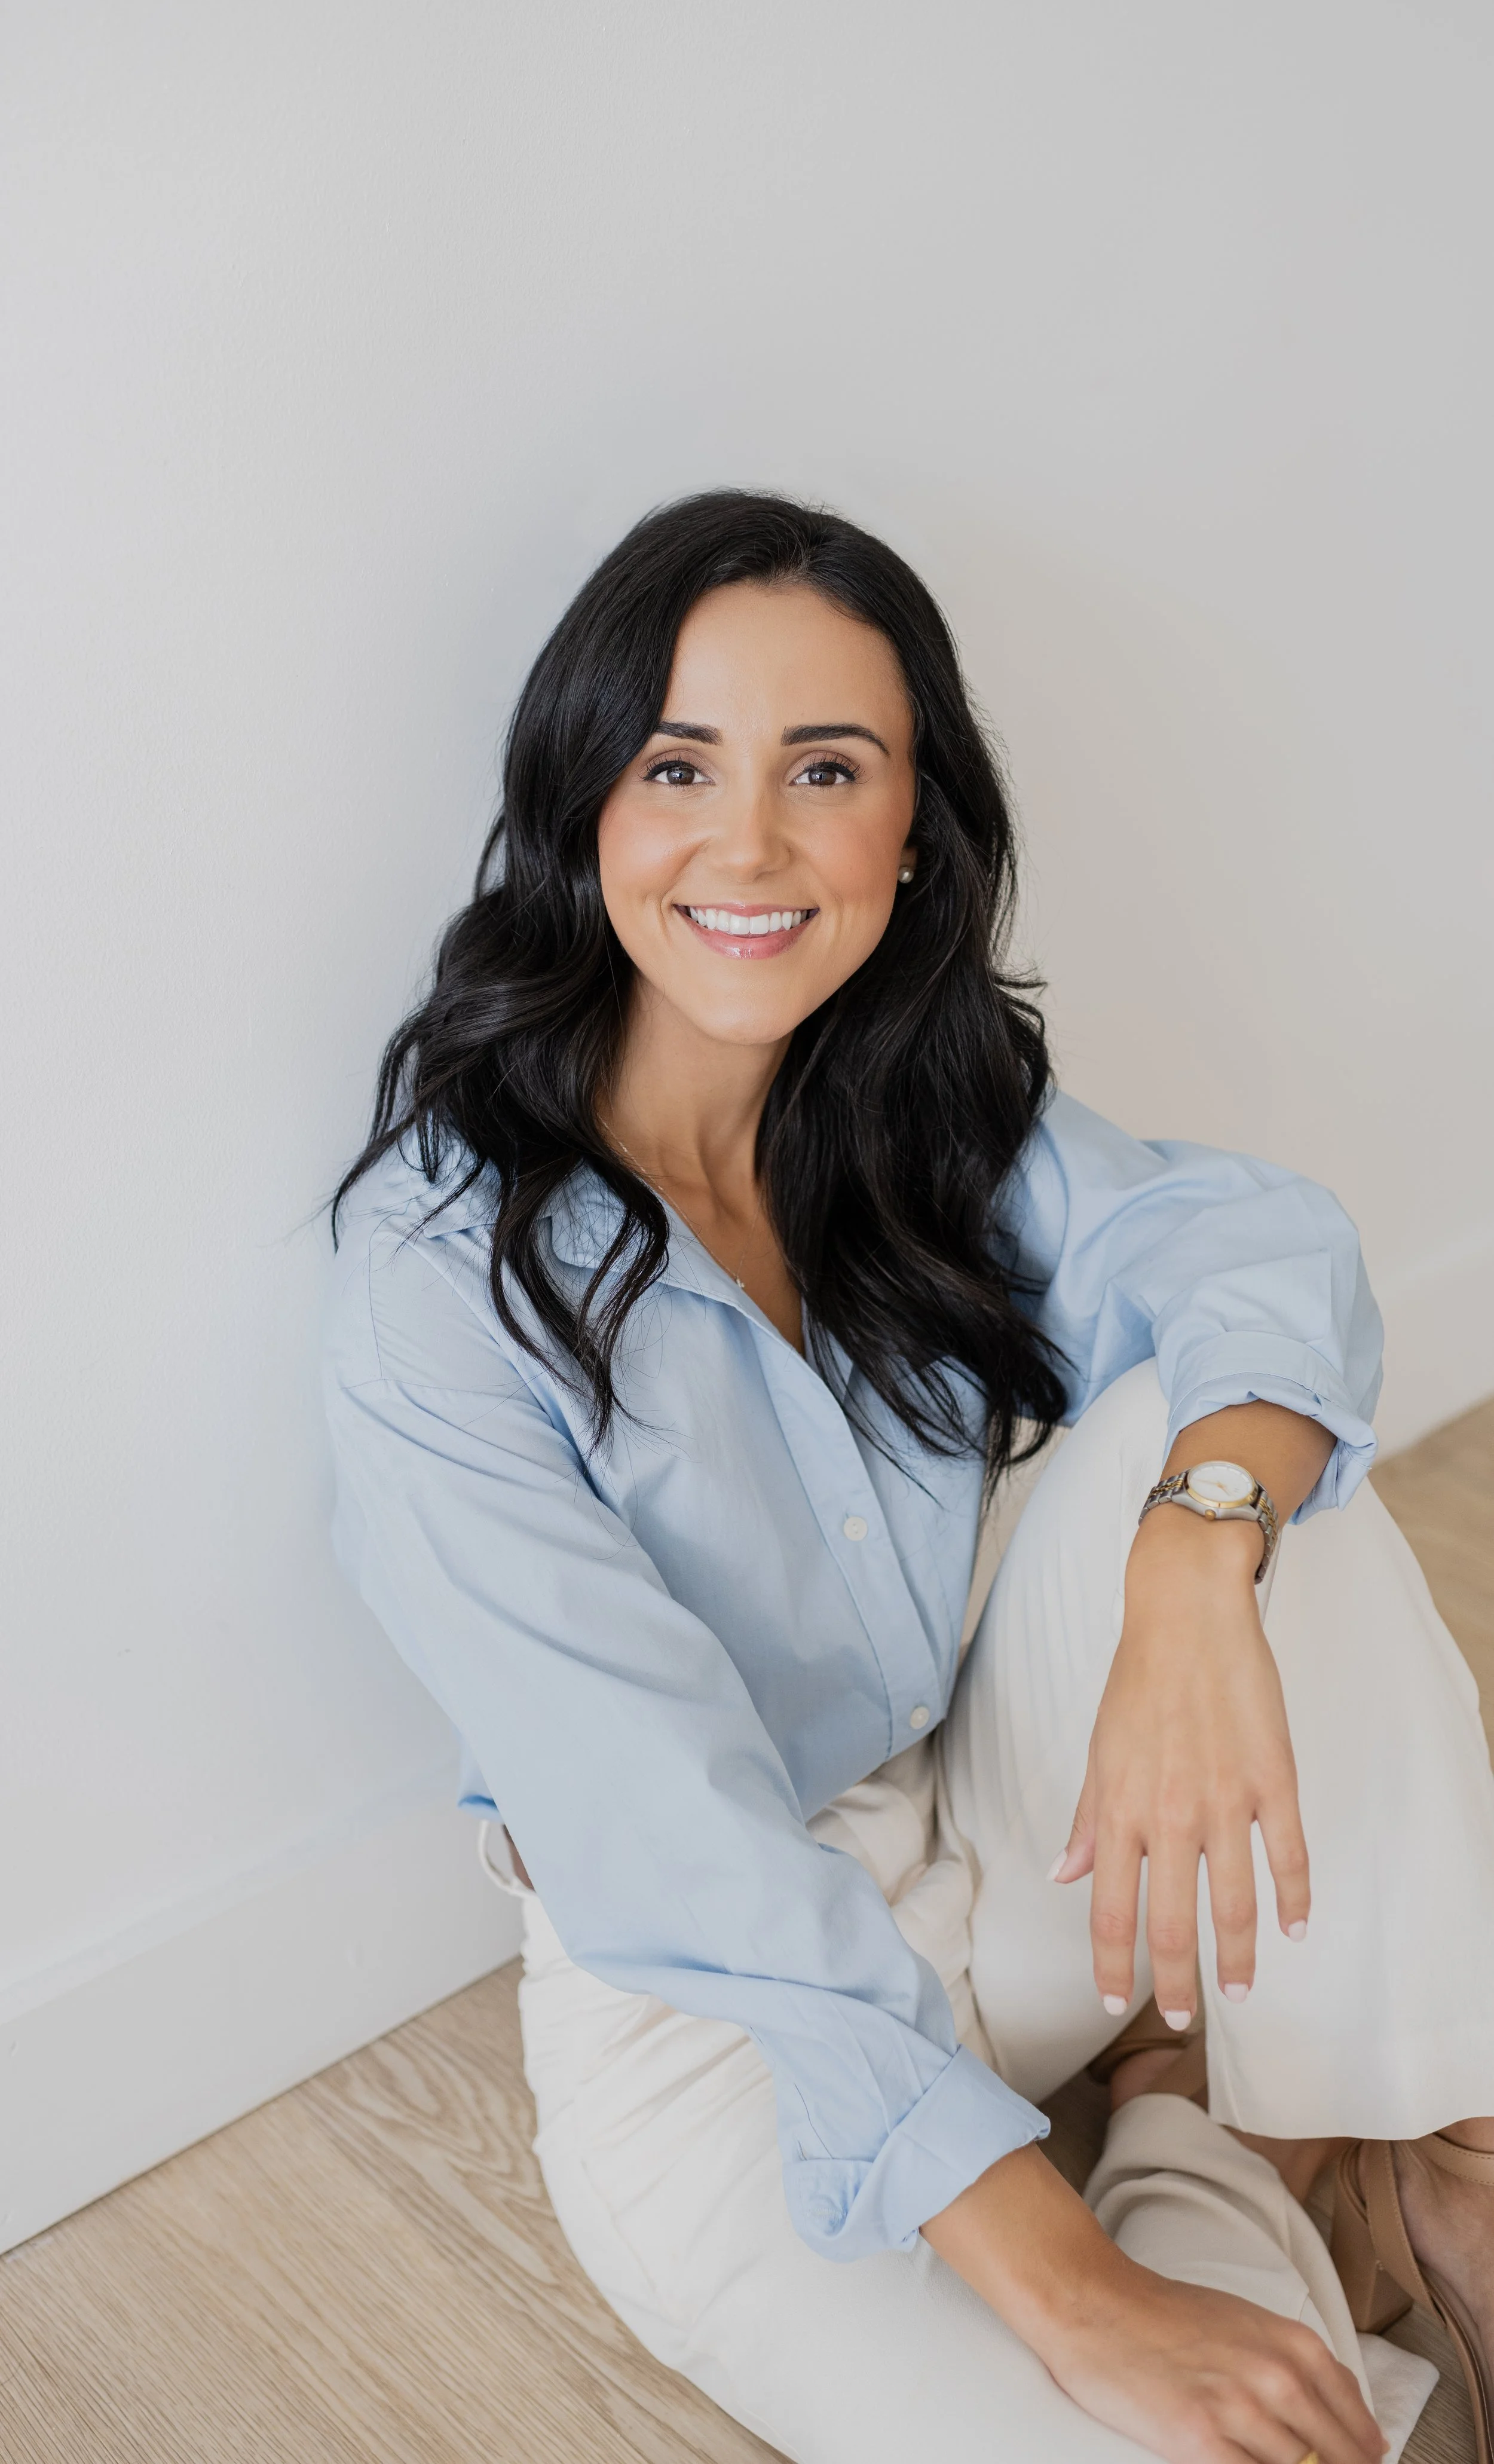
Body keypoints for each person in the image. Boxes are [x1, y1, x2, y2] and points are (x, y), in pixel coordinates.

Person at [323, 491, 1494, 2464]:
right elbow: (676, 1848)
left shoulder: (910, 1100)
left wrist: (1194, 1571)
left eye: (827, 770)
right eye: (677, 763)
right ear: (580, 802)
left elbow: (1258, 1256)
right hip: (725, 2019)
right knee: (1188, 2438)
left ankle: (1438, 2150)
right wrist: (1082, 2287)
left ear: (908, 823)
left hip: (1003, 1828)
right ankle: (1208, 2125)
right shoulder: (436, 1289)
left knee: (1223, 1459)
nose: (752, 844)